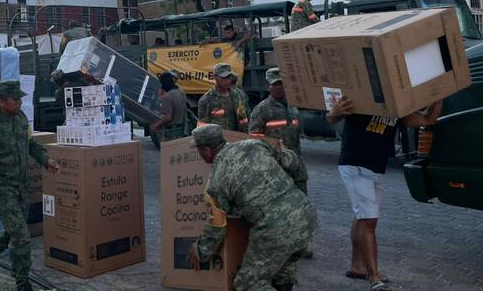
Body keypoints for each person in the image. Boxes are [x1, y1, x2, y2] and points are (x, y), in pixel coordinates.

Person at [328, 98, 442, 291]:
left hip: (376, 167)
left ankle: (357, 267)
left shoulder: (397, 108)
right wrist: (335, 111)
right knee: (369, 221)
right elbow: (331, 117)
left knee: (363, 217)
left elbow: (428, 120)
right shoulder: (363, 97)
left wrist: (438, 97)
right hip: (355, 164)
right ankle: (374, 277)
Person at [186, 124, 317, 291]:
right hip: (305, 215)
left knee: (247, 282)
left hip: (276, 228)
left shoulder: (216, 183)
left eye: (198, 150)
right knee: (282, 272)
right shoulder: (254, 144)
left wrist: (200, 250)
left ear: (206, 150)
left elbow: (217, 225)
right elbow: (293, 162)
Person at [0, 81, 59, 291]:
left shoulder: (21, 118)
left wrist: (46, 160)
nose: (19, 102)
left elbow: (31, 144)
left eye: (20, 98)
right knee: (22, 237)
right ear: (1, 102)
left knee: (12, 234)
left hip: (21, 186)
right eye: (15, 99)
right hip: (0, 188)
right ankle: (22, 283)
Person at [248, 68, 307, 193]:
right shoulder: (262, 109)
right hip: (276, 167)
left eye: (282, 84)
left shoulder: (292, 106)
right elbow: (254, 139)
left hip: (296, 166)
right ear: (268, 86)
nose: (280, 87)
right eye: (275, 84)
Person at [198, 64, 250, 132]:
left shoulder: (239, 95)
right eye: (223, 78)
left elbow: (247, 115)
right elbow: (202, 127)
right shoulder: (206, 100)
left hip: (240, 137)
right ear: (215, 77)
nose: (227, 81)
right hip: (221, 139)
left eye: (229, 77)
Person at [150, 71, 188, 141]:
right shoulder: (181, 92)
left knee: (168, 151)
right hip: (181, 130)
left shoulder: (167, 97)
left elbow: (168, 118)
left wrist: (156, 126)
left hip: (170, 133)